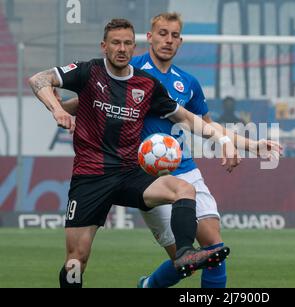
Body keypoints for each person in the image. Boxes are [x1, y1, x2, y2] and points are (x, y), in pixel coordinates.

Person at [60, 13, 281, 288]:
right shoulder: (130, 68)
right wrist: (64, 110)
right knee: (183, 260)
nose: (168, 40)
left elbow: (204, 124)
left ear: (180, 41)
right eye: (162, 33)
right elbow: (91, 98)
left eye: (174, 35)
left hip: (186, 169)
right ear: (149, 37)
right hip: (147, 175)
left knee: (214, 250)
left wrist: (251, 145)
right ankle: (150, 285)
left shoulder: (187, 82)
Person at [28, 18, 239, 288]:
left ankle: (186, 253)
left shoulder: (147, 84)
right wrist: (57, 109)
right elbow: (40, 79)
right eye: (116, 42)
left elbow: (185, 118)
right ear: (104, 46)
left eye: (128, 43)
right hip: (91, 177)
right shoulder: (87, 72)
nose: (122, 48)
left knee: (184, 189)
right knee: (76, 259)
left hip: (130, 174)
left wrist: (222, 137)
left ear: (134, 46)